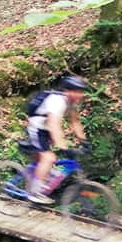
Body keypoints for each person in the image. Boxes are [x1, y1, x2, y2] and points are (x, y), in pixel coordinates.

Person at [26, 74, 89, 204]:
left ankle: (38, 178)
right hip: (37, 127)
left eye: (81, 92)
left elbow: (75, 122)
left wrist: (84, 141)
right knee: (49, 158)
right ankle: (35, 193)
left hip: (47, 129)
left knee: (47, 160)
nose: (80, 95)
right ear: (68, 91)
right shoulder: (57, 101)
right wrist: (63, 147)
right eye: (77, 92)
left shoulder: (72, 103)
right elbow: (53, 124)